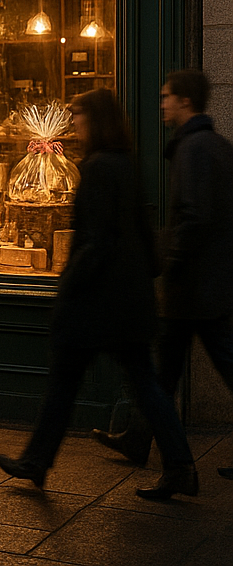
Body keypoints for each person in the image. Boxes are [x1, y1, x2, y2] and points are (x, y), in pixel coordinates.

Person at [0, 88, 198, 499]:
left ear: (95, 119)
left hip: (98, 302)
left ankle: (38, 460)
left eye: (78, 115)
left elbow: (96, 239)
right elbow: (141, 232)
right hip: (127, 299)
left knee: (68, 382)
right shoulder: (123, 163)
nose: (74, 123)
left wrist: (69, 285)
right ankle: (179, 466)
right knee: (137, 384)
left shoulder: (99, 167)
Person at [94, 69, 233, 482]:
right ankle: (141, 439)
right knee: (161, 375)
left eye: (166, 96)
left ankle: (167, 460)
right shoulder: (218, 146)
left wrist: (170, 262)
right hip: (207, 285)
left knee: (186, 371)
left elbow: (193, 216)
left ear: (185, 102)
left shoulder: (193, 149)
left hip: (193, 288)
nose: (161, 104)